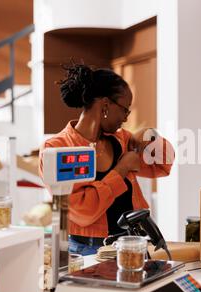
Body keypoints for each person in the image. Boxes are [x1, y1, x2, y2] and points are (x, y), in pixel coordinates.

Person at [39, 63, 174, 256]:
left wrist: (151, 135)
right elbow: (84, 211)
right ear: (105, 105)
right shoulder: (57, 149)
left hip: (132, 245)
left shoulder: (122, 139)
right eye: (125, 110)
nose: (126, 118)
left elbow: (164, 163)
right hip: (89, 251)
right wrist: (122, 169)